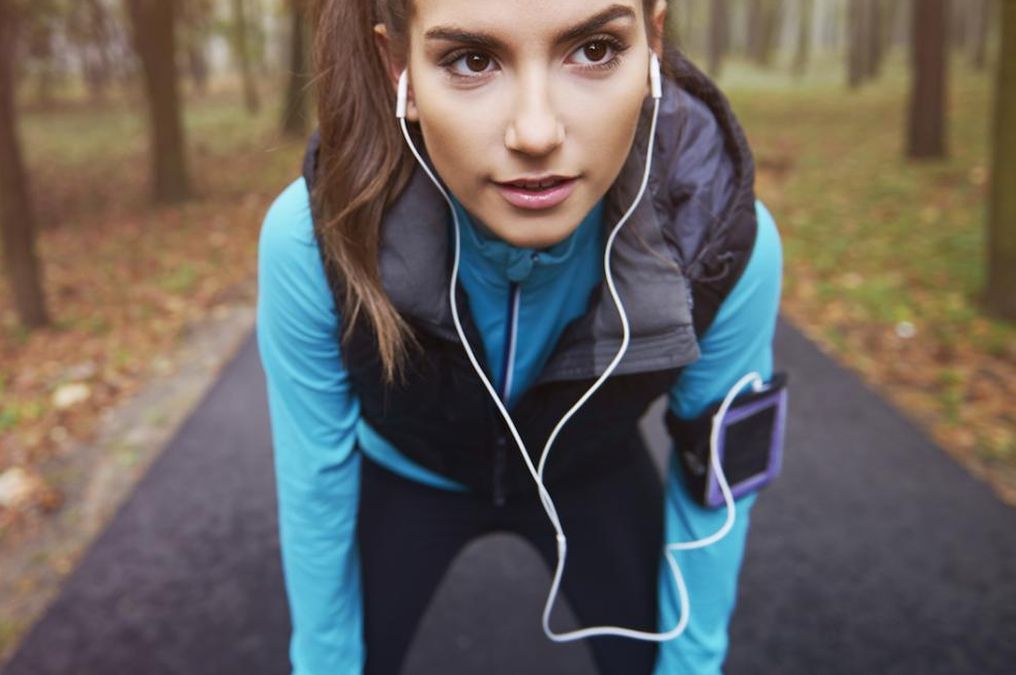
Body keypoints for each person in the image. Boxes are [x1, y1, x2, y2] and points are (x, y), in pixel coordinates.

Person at [256, 0, 785, 673]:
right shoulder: (314, 241)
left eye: (594, 48)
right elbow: (312, 480)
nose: (536, 132)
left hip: (590, 468)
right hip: (406, 468)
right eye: (471, 60)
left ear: (652, 43)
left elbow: (719, 482)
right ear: (401, 72)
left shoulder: (718, 243)